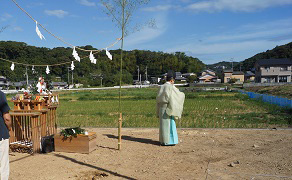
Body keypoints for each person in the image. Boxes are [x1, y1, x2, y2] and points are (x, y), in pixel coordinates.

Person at [156, 71, 185, 146]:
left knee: (163, 125)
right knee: (170, 125)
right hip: (168, 107)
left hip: (161, 107)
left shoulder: (161, 86)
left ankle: (163, 141)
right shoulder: (171, 87)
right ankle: (170, 141)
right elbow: (178, 95)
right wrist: (183, 95)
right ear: (172, 80)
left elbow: (158, 98)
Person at [0, 90, 12, 180]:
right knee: (3, 164)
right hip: (1, 133)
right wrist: (9, 128)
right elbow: (7, 118)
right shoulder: (0, 94)